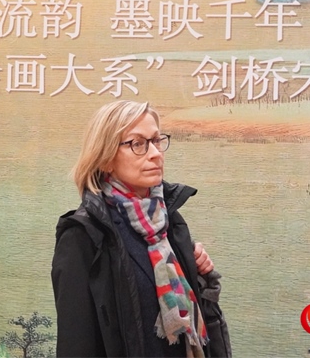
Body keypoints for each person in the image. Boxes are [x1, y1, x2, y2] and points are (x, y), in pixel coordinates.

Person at [51, 100, 225, 357]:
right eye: (138, 144)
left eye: (156, 140)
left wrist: (200, 274)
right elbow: (76, 343)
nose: (155, 153)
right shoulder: (83, 237)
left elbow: (197, 322)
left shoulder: (168, 220)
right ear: (106, 158)